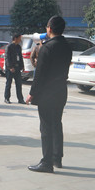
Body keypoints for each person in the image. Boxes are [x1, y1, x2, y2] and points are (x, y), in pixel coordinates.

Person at [26, 16, 72, 173]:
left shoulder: (47, 47)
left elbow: (40, 74)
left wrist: (32, 93)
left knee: (46, 127)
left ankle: (46, 162)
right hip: (61, 91)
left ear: (50, 29)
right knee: (57, 124)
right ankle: (57, 158)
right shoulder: (67, 46)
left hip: (47, 94)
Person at [4, 33, 25, 104]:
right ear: (15, 38)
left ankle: (20, 99)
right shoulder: (9, 47)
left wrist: (22, 66)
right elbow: (7, 58)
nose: (20, 40)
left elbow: (20, 57)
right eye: (19, 38)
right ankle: (7, 98)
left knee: (19, 84)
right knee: (9, 83)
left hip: (17, 67)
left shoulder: (18, 47)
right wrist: (10, 67)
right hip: (10, 68)